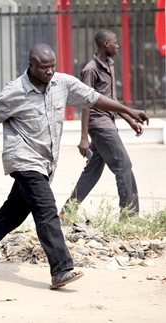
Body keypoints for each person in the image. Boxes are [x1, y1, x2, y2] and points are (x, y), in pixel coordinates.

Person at [0, 43, 149, 289]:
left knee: (13, 213)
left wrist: (127, 112)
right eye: (44, 67)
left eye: (52, 66)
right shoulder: (15, 91)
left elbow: (94, 98)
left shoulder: (63, 83)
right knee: (46, 211)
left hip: (46, 162)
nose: (49, 71)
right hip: (24, 159)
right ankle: (61, 268)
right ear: (31, 66)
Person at [60, 29, 142, 219]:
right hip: (99, 125)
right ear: (106, 44)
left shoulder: (109, 65)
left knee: (92, 171)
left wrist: (130, 120)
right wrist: (83, 138)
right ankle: (130, 216)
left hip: (108, 122)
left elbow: (111, 99)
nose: (118, 45)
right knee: (123, 165)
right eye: (115, 42)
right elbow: (86, 102)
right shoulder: (90, 69)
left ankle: (67, 211)